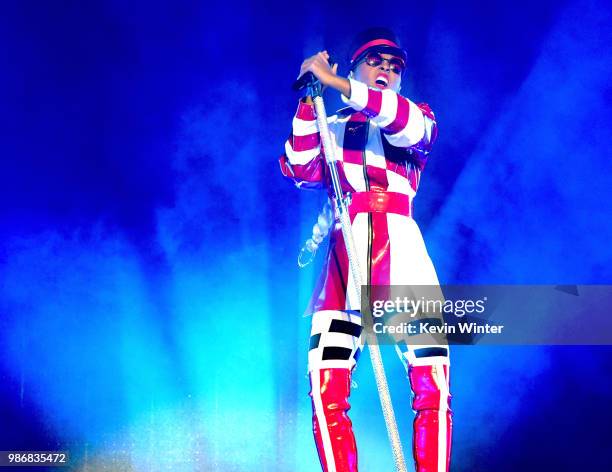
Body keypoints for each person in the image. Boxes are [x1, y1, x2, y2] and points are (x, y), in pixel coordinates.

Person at [279, 27, 452, 472]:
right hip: (344, 259)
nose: (386, 72)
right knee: (325, 390)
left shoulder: (414, 117)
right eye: (376, 62)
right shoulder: (330, 126)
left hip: (403, 257)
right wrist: (308, 97)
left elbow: (404, 123)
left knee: (432, 386)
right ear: (355, 66)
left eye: (394, 67)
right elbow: (300, 168)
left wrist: (337, 85)